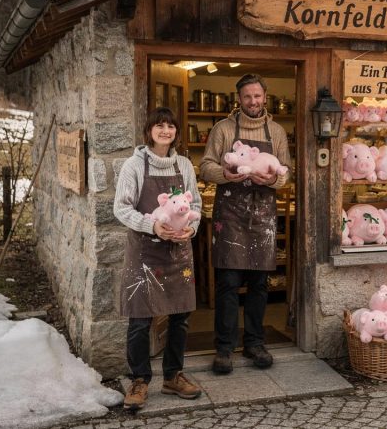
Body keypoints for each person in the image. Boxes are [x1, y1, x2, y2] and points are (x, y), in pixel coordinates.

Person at [201, 74, 291, 374]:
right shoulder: (223, 129)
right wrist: (225, 175)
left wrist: (274, 179)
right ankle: (224, 348)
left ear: (265, 97)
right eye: (247, 96)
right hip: (230, 215)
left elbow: (285, 171)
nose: (253, 101)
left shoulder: (276, 131)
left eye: (257, 96)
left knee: (259, 284)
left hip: (263, 216)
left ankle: (254, 343)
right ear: (238, 98)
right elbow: (206, 166)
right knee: (227, 283)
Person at [114, 107, 202, 412]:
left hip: (179, 252)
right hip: (145, 251)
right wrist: (152, 226)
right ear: (149, 130)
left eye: (170, 126)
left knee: (180, 316)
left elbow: (196, 205)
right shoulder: (134, 165)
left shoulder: (185, 165)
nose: (165, 131)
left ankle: (173, 375)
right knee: (140, 318)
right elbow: (122, 209)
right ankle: (139, 379)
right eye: (159, 126)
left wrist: (191, 227)